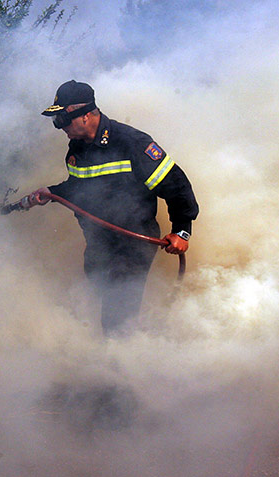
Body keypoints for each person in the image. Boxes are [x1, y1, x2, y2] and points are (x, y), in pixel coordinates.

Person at [23, 80, 199, 336]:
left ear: (84, 115)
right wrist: (52, 193)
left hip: (134, 241)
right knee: (99, 294)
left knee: (117, 311)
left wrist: (182, 231)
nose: (59, 127)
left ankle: (120, 368)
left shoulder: (132, 143)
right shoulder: (77, 148)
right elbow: (79, 188)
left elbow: (177, 186)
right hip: (99, 243)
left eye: (62, 119)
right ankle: (132, 342)